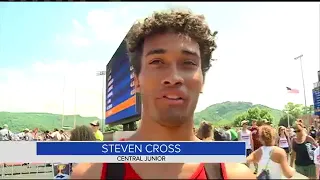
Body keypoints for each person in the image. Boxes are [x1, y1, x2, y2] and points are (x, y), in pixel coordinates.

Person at [71, 8, 255, 179]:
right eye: (157, 61)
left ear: (202, 80)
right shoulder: (90, 174)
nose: (173, 77)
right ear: (136, 80)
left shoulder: (236, 175)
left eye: (188, 63)